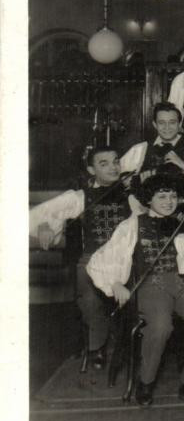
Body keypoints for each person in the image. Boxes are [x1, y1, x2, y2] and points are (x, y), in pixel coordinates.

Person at [86, 173, 184, 405]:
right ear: (149, 198)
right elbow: (106, 256)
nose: (169, 201)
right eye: (162, 196)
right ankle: (145, 381)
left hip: (183, 281)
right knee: (160, 327)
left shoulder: (182, 222)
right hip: (150, 284)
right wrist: (115, 283)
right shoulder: (132, 224)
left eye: (173, 196)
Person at [30, 146, 135, 370]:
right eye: (103, 163)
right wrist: (44, 225)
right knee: (89, 298)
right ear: (91, 170)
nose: (113, 167)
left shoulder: (132, 194)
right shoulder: (80, 197)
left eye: (116, 161)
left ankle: (127, 345)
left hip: (124, 261)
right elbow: (41, 214)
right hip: (90, 260)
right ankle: (97, 345)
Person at [120, 102, 184, 184]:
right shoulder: (139, 149)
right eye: (162, 123)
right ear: (155, 124)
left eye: (172, 122)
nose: (167, 127)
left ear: (179, 124)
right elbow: (121, 179)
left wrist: (183, 165)